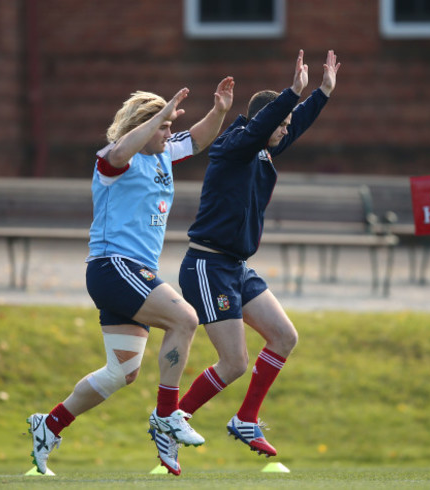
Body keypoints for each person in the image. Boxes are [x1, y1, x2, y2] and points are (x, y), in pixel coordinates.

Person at [27, 76, 235, 475]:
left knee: (121, 371)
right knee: (185, 318)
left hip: (131, 273)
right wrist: (158, 113)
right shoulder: (114, 157)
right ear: (144, 125)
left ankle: (49, 425)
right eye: (163, 125)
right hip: (114, 267)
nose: (169, 132)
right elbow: (121, 149)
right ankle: (166, 415)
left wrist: (219, 111)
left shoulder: (162, 153)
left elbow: (198, 139)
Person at [149, 49, 340, 474]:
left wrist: (322, 92)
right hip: (206, 265)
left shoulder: (264, 149)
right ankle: (169, 421)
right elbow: (270, 125)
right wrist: (293, 93)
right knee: (234, 363)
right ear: (265, 122)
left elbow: (295, 124)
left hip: (237, 268)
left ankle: (246, 419)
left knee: (284, 337)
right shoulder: (233, 146)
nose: (285, 132)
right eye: (281, 124)